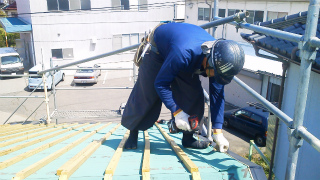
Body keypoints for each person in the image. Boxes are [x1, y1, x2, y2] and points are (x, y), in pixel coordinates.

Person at [121, 22, 245, 151]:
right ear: (209, 61)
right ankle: (133, 132)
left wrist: (218, 132)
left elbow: (217, 97)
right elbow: (161, 83)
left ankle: (188, 138)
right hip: (158, 51)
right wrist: (177, 111)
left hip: (184, 52)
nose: (214, 77)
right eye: (215, 73)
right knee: (146, 92)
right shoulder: (183, 54)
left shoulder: (219, 58)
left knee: (193, 94)